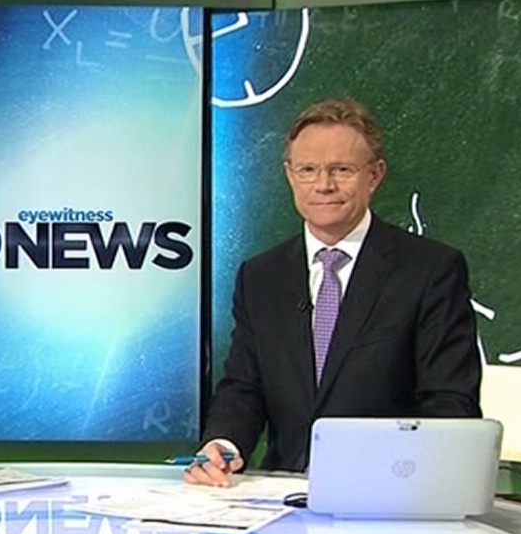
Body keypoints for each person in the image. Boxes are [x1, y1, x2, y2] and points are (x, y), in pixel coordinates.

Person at [187, 95, 481, 486]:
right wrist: (222, 444)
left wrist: (406, 479)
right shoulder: (261, 276)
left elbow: (449, 402)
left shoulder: (429, 271)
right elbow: (244, 387)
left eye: (341, 169)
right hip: (284, 491)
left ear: (374, 175)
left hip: (387, 492)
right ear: (290, 175)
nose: (324, 185)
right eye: (308, 170)